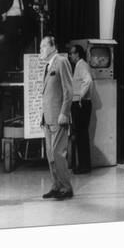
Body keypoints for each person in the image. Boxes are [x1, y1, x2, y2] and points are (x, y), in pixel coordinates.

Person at [39, 36, 74, 199]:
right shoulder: (48, 66)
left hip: (59, 117)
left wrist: (64, 113)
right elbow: (48, 94)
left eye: (43, 47)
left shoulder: (61, 61)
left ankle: (66, 188)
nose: (40, 50)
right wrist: (43, 117)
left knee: (58, 153)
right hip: (48, 118)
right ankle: (56, 185)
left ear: (53, 47)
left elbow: (68, 90)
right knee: (50, 154)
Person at [0, 0, 33, 71]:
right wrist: (0, 31)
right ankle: (9, 68)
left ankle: (17, 65)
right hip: (10, 21)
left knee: (19, 46)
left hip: (21, 22)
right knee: (9, 47)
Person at [68, 44, 93, 174]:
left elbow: (88, 81)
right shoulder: (79, 66)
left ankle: (84, 166)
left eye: (71, 53)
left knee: (81, 135)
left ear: (77, 54)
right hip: (80, 104)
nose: (70, 56)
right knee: (80, 135)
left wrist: (79, 97)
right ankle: (84, 165)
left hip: (81, 105)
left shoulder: (81, 65)